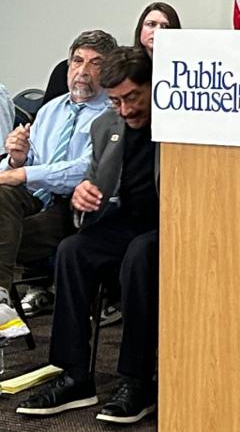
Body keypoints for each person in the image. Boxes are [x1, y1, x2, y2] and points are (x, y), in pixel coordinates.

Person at [17, 47, 160, 424]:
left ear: (152, 87)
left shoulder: (177, 124)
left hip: (171, 224)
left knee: (139, 255)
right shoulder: (106, 126)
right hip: (125, 219)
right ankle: (76, 376)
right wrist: (83, 197)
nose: (126, 110)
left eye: (133, 97)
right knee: (72, 251)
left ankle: (137, 380)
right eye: (116, 101)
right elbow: (95, 187)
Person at [0, 30, 119, 337]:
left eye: (95, 63)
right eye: (77, 61)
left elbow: (87, 169)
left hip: (75, 208)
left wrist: (24, 173)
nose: (83, 70)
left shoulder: (112, 114)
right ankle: (0, 300)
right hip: (34, 198)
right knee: (3, 195)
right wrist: (17, 158)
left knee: (5, 235)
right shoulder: (51, 110)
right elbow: (31, 163)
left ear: (107, 71)